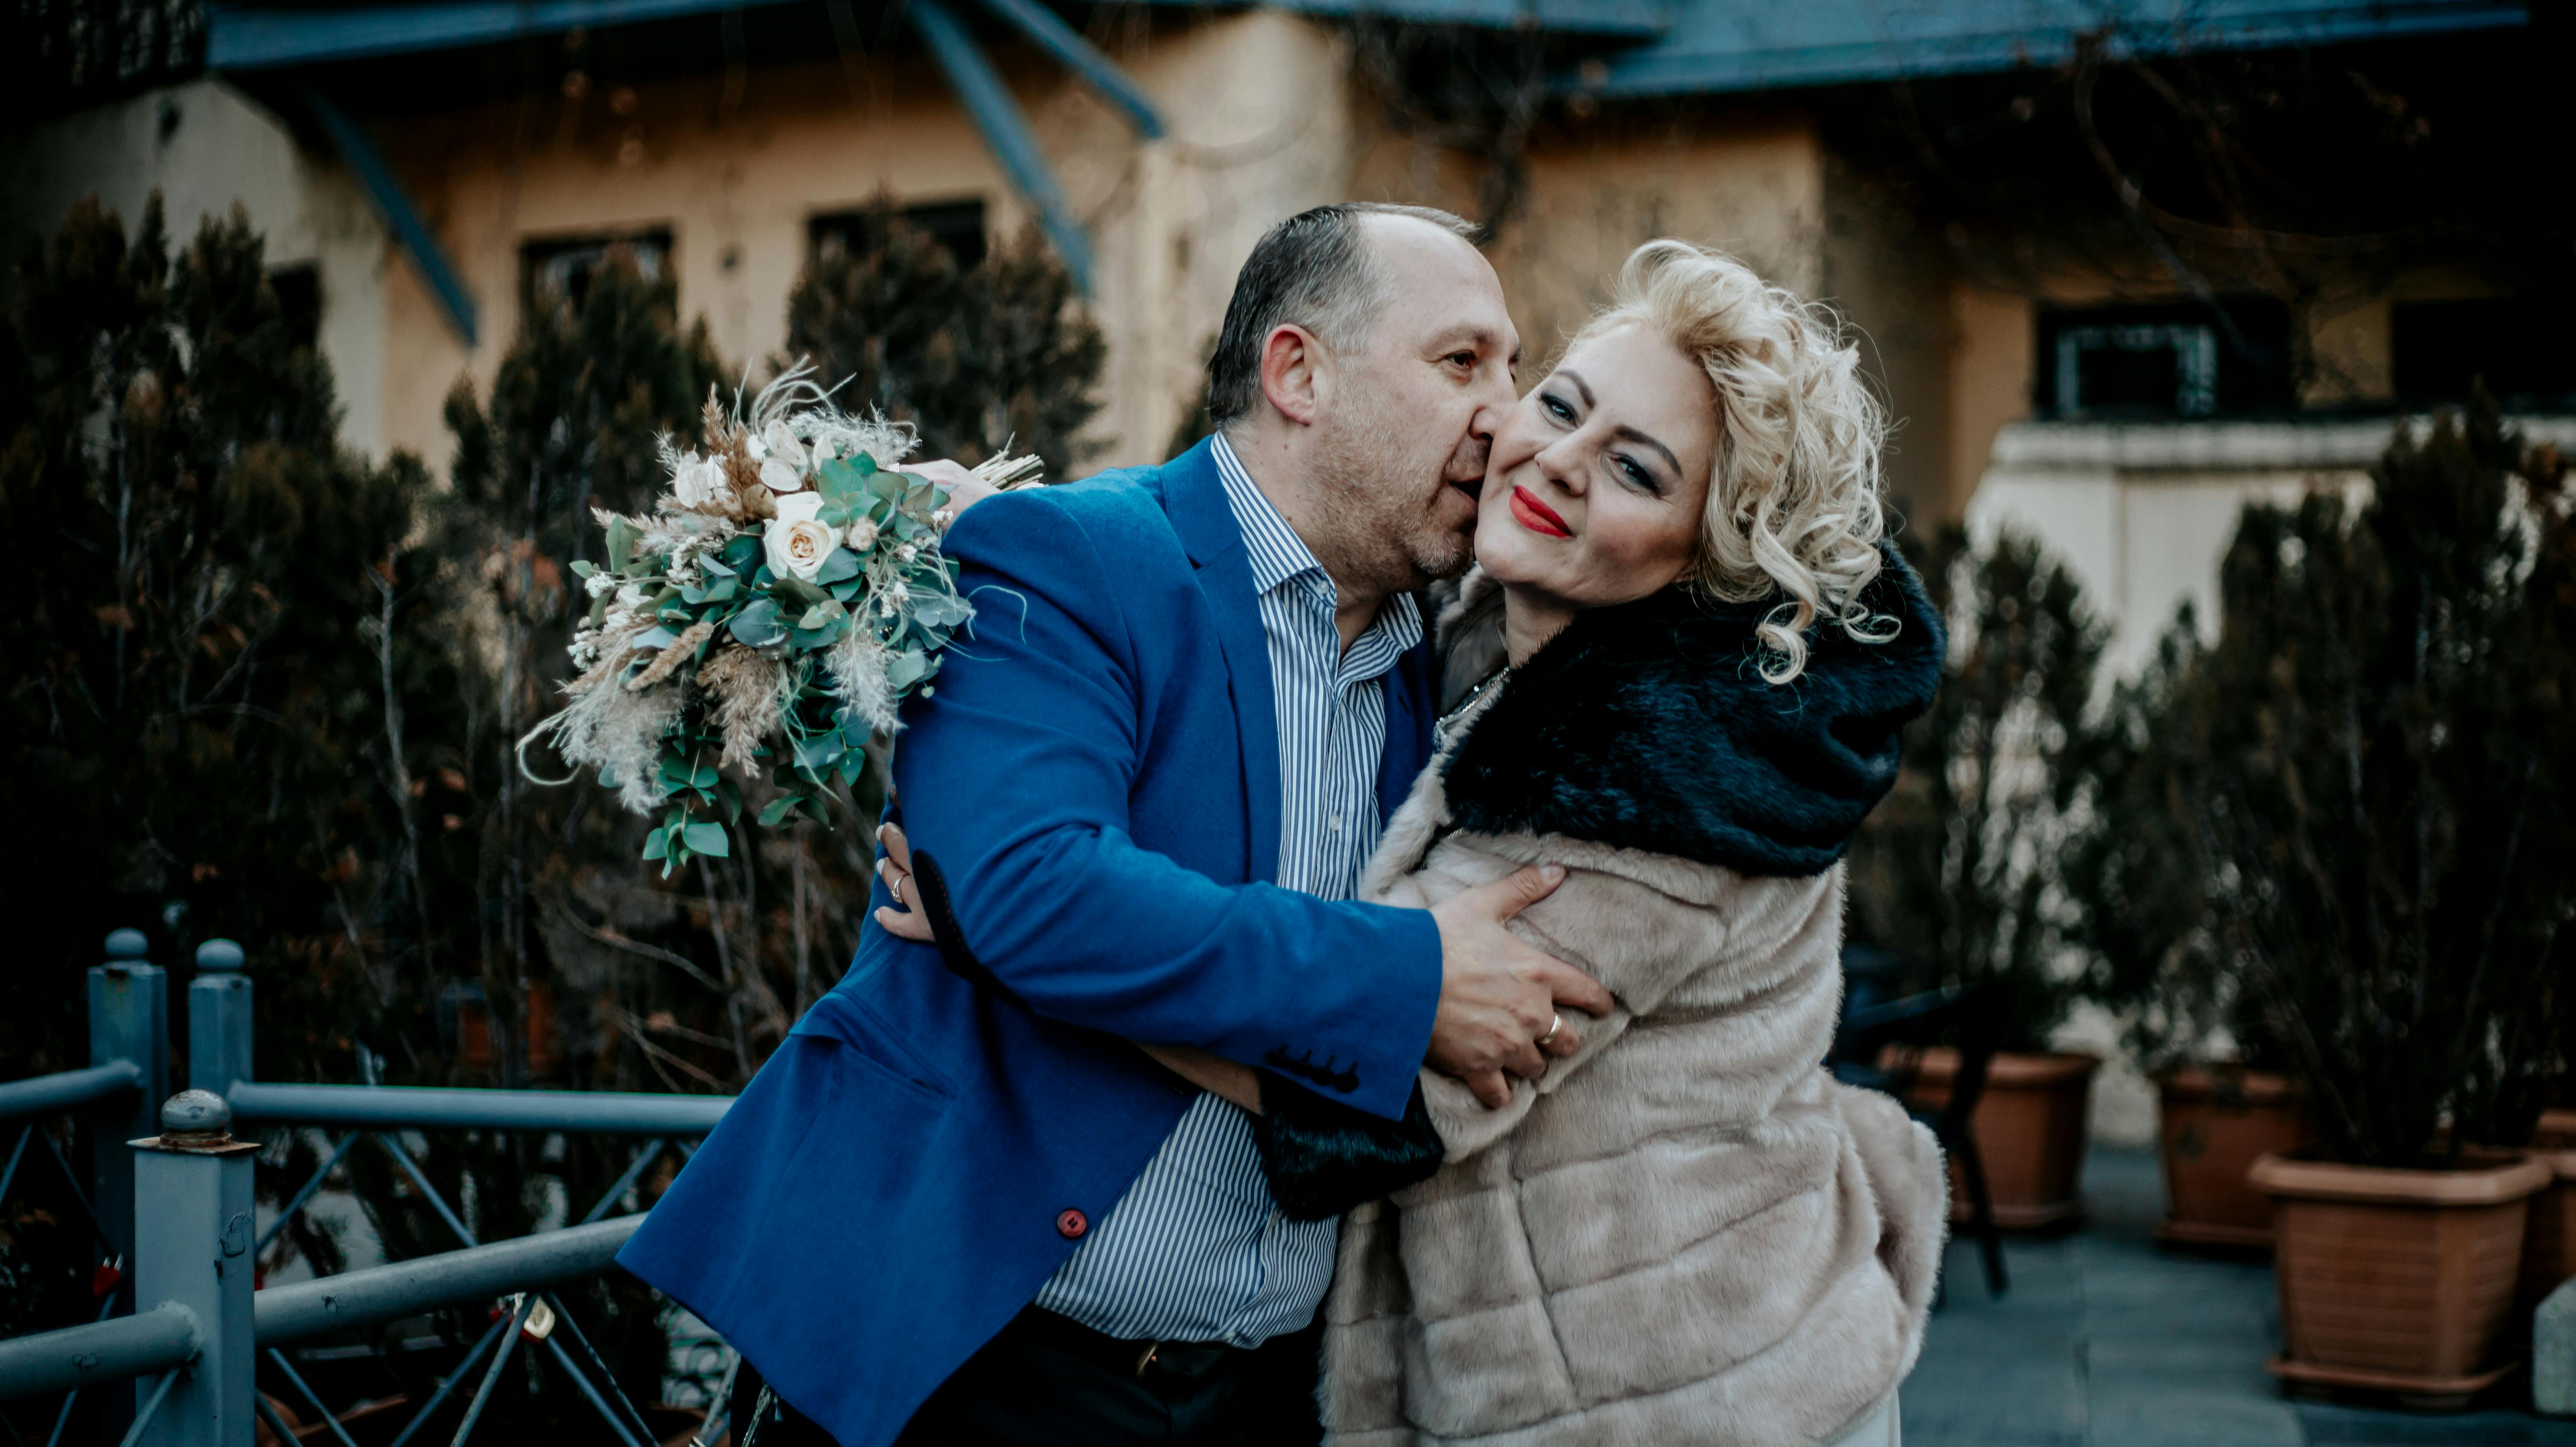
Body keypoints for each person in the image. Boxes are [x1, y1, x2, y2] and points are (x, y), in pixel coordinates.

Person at [881, 240, 1950, 1445]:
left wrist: (1012, 931)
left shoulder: (1660, 780)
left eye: (1637, 471)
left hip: (1684, 1391)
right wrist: (1015, 529)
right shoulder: (1486, 645)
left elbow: (1372, 1094)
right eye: (1561, 405)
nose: (1551, 456)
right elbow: (1253, 543)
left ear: (1703, 555)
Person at [615, 203, 1616, 1447]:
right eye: (1463, 362)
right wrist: (1414, 976)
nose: (1506, 412)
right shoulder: (1071, 558)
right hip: (990, 1361)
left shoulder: (1461, 665)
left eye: (1516, 370)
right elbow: (1036, 893)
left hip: (1276, 1394)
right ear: (1298, 373)